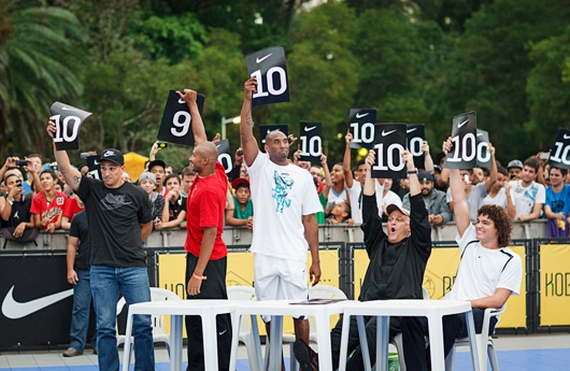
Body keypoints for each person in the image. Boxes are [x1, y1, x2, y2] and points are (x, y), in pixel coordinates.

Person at [294, 148, 431, 371]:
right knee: (345, 325)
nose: (392, 222)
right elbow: (369, 212)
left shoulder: (417, 246)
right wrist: (368, 171)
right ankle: (320, 362)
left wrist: (411, 170)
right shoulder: (379, 243)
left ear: (410, 227)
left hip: (399, 310)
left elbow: (419, 212)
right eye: (391, 218)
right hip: (366, 306)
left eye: (399, 219)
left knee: (373, 328)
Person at [400, 137, 522, 371]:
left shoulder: (510, 259)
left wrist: (463, 304)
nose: (478, 226)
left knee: (448, 320)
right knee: (410, 320)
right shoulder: (470, 243)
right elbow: (458, 199)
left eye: (485, 223)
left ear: (499, 229)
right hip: (449, 309)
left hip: (478, 315)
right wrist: (453, 161)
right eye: (479, 221)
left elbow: (497, 300)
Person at [47, 121, 155, 371]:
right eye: (103, 168)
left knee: (143, 324)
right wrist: (57, 140)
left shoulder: (138, 194)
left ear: (122, 169)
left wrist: (129, 245)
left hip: (134, 267)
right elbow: (65, 167)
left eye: (112, 168)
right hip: (101, 269)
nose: (106, 173)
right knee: (105, 327)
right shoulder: (91, 188)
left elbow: (146, 226)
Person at [240, 77, 322, 352]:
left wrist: (316, 259)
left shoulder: (303, 176)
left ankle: (306, 364)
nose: (282, 145)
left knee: (300, 313)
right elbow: (245, 133)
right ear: (266, 147)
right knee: (268, 314)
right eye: (275, 142)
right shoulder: (259, 166)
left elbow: (310, 220)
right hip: (264, 252)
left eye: (284, 141)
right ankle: (277, 363)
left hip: (293, 254)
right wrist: (248, 99)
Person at [177, 88, 232, 371]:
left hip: (207, 261)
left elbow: (210, 232)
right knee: (197, 319)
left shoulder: (210, 189)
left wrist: (198, 272)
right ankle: (199, 366)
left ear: (206, 161)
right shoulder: (214, 170)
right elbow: (201, 138)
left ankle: (214, 366)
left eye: (195, 157)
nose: (190, 158)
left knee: (208, 320)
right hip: (202, 257)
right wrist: (192, 105)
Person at [63, 210, 97, 357]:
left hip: (106, 269)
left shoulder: (109, 213)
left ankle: (101, 344)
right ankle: (76, 345)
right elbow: (72, 245)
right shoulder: (79, 218)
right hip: (83, 269)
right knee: (80, 308)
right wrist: (70, 269)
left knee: (103, 310)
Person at [509, 157, 545, 221]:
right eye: (525, 170)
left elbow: (536, 213)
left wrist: (525, 218)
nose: (527, 174)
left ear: (535, 175)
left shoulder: (539, 188)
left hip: (528, 225)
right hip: (510, 223)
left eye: (531, 172)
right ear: (522, 170)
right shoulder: (511, 184)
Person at [0, 174, 35, 240]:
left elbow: (34, 223)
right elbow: (5, 217)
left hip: (27, 238)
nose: (15, 185)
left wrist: (24, 224)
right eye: (11, 183)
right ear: (6, 187)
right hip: (7, 239)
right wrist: (10, 196)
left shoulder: (29, 200)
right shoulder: (2, 200)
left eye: (17, 182)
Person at [543, 166, 570, 237]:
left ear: (564, 177)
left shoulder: (568, 189)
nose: (553, 177)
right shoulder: (545, 192)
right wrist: (557, 216)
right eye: (551, 175)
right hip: (549, 230)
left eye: (556, 175)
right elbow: (547, 212)